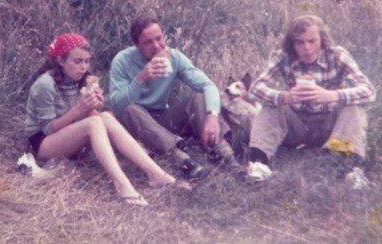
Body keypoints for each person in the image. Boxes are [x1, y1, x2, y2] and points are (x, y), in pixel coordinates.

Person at [25, 33, 188, 207]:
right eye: (77, 61)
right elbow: (48, 129)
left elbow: (82, 121)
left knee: (105, 117)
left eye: (87, 61)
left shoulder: (80, 80)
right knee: (95, 122)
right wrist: (79, 109)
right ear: (60, 61)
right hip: (42, 145)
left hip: (67, 139)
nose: (83, 67)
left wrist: (91, 109)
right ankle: (122, 185)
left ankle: (156, 175)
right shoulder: (45, 84)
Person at [247, 15, 375, 182]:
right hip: (297, 125)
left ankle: (344, 165)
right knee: (270, 104)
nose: (307, 48)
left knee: (354, 108)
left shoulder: (338, 56)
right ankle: (259, 163)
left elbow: (369, 91)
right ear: (292, 44)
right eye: (300, 42)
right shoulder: (282, 56)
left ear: (322, 39)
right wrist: (285, 97)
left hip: (330, 127)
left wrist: (332, 95)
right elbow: (255, 89)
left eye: (312, 41)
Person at [109, 16, 238, 179]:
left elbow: (208, 86)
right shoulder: (122, 60)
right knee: (130, 109)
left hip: (162, 117)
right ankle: (185, 163)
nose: (156, 46)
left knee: (199, 99)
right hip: (135, 123)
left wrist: (212, 116)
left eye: (159, 38)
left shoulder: (174, 57)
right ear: (137, 45)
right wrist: (140, 79)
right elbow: (117, 106)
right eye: (148, 42)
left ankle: (226, 157)